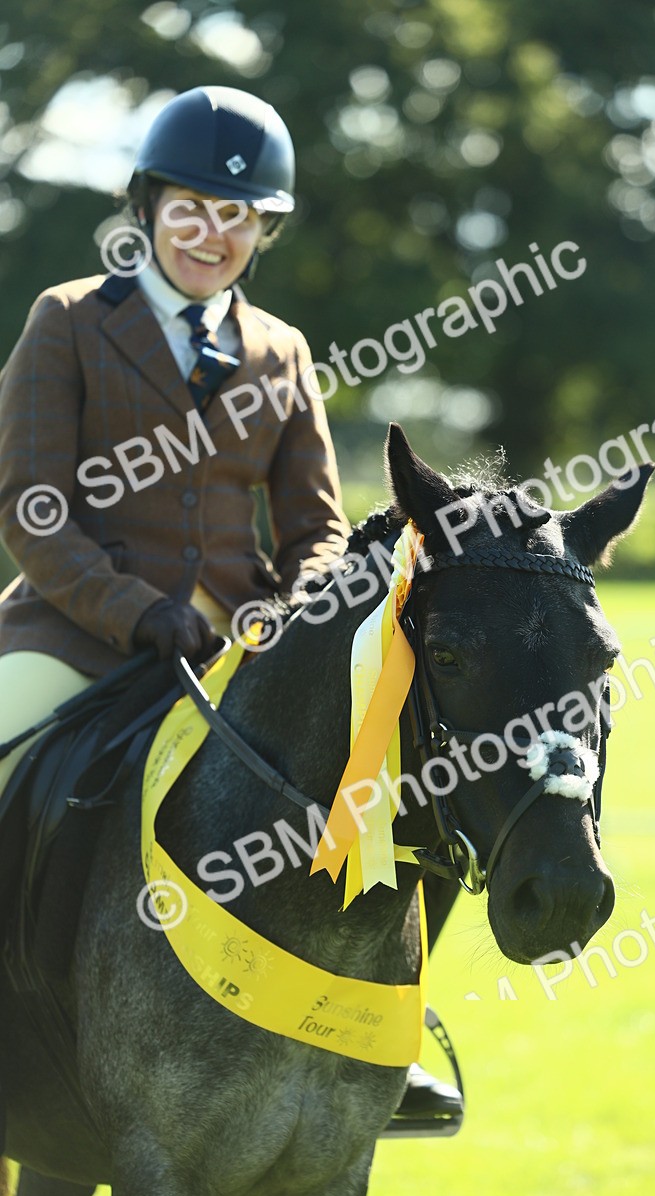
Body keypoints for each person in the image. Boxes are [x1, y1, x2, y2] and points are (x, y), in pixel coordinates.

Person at [0, 85, 461, 1130]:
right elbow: (32, 509)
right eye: (191, 210)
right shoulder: (68, 321)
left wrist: (296, 616)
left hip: (243, 645)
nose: (212, 234)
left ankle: (383, 1034)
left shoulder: (281, 350)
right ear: (147, 208)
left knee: (401, 787)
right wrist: (131, 608)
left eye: (237, 216)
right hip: (74, 635)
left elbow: (318, 529)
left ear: (263, 229)